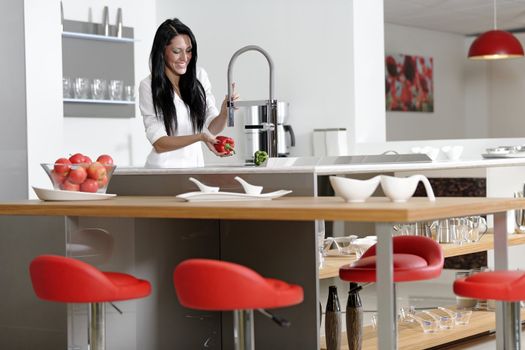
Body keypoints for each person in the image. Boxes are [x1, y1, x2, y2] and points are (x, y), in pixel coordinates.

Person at [139, 18, 238, 168]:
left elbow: (212, 128)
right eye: (176, 51)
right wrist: (200, 137)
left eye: (189, 50)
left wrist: (224, 112)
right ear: (162, 52)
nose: (185, 58)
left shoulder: (199, 76)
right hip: (162, 171)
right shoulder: (148, 86)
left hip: (195, 169)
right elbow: (159, 143)